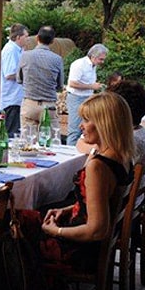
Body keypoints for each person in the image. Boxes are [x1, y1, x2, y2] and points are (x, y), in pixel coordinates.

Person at [22, 91, 134, 273]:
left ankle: (28, 287)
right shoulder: (123, 157)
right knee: (26, 217)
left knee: (12, 226)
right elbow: (100, 203)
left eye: (86, 120)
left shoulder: (98, 167)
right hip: (90, 243)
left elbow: (97, 230)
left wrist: (56, 232)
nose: (81, 125)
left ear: (105, 124)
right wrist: (68, 209)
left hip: (80, 250)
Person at [77, 80, 145, 199]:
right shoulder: (136, 137)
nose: (80, 126)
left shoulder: (123, 149)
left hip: (125, 203)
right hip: (133, 202)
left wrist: (95, 151)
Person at [17, 26, 64, 130]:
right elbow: (60, 85)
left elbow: (19, 79)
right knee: (50, 138)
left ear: (37, 38)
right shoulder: (57, 59)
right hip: (49, 105)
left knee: (28, 138)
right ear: (52, 41)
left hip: (30, 104)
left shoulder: (25, 56)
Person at [65, 44, 108, 146]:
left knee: (87, 129)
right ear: (93, 56)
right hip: (76, 98)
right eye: (101, 59)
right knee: (75, 130)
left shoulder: (93, 66)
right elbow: (72, 83)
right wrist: (91, 86)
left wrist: (95, 86)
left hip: (87, 98)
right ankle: (70, 151)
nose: (102, 62)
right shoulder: (79, 64)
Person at [0, 23, 29, 136]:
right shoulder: (10, 50)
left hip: (17, 97)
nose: (27, 39)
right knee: (11, 132)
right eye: (26, 36)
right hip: (11, 98)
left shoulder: (19, 50)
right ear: (18, 37)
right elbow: (9, 74)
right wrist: (27, 75)